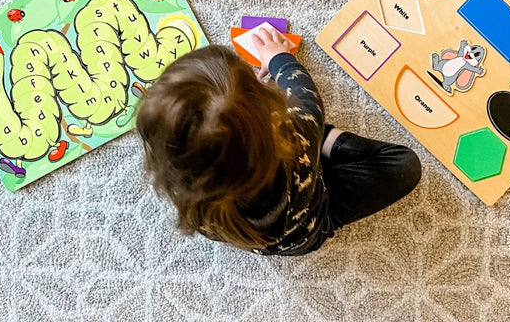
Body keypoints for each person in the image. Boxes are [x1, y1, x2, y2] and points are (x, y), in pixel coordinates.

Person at [136, 28, 421, 256]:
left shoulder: (188, 190)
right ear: (273, 125)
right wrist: (278, 56)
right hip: (314, 219)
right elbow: (306, 97)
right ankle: (327, 139)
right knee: (405, 164)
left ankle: (322, 142)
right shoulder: (297, 137)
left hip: (278, 236)